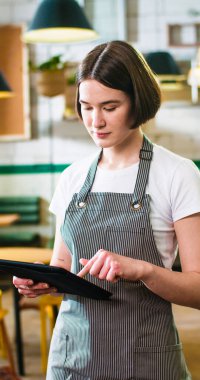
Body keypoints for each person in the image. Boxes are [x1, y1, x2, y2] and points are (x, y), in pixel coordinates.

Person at [13, 40, 200, 380]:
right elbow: (63, 265)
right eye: (86, 107)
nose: (95, 121)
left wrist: (142, 270)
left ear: (137, 102)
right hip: (71, 359)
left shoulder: (177, 173)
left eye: (110, 107)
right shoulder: (72, 177)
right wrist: (43, 281)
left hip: (145, 361)